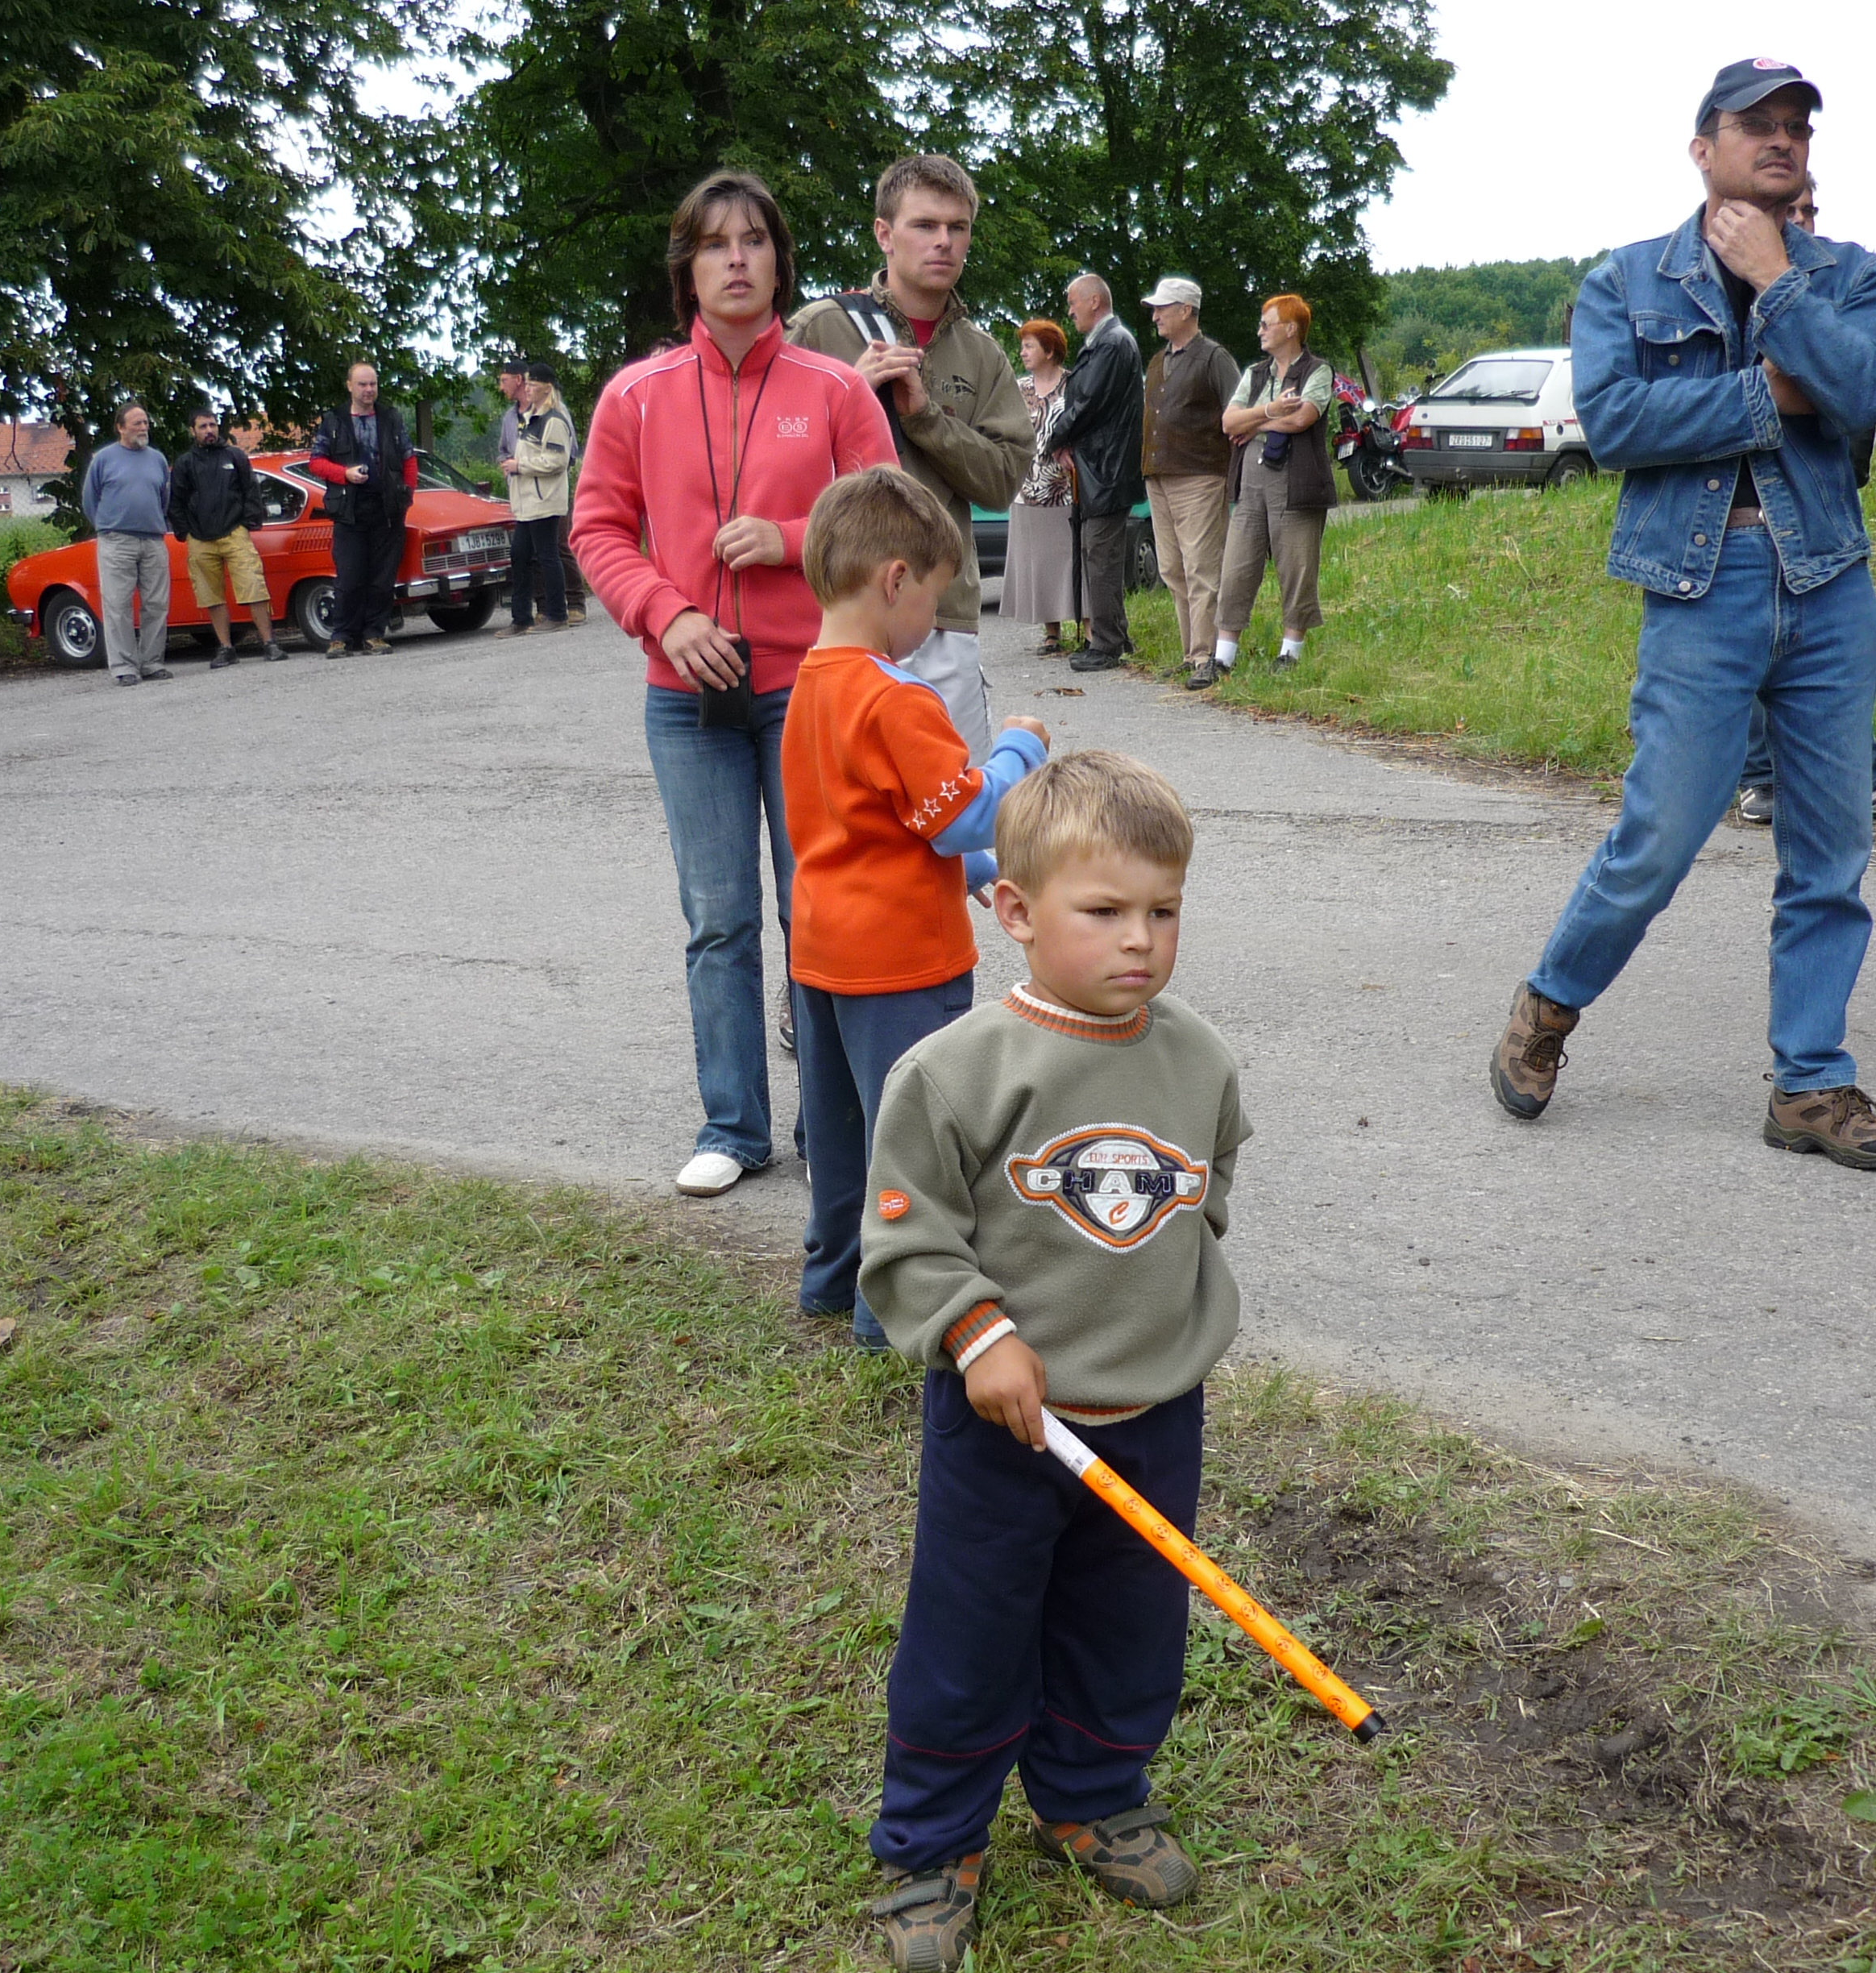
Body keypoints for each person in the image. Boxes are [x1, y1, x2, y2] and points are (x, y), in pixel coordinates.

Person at [1490, 58, 1876, 1169]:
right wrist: (1772, 392)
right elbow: (1619, 423)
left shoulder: (1849, 275)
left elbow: (1867, 391)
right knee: (1660, 839)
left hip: (1828, 584)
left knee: (1830, 849)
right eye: (1756, 124)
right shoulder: (1625, 282)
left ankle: (1811, 1086)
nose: (1781, 140)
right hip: (1701, 587)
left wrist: (1779, 285)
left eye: (1797, 127)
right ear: (1703, 147)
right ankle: (1549, 1004)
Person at [858, 750, 1245, 1972]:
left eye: (1164, 911)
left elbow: (1208, 1188)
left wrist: (1168, 1320)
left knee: (1129, 1619)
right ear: (1013, 911)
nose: (1142, 941)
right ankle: (933, 1843)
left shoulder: (1198, 1061)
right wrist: (980, 1333)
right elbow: (908, 1233)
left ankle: (1092, 1792)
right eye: (1106, 911)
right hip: (1007, 1426)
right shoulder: (954, 1073)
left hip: (1151, 1411)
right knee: (973, 1629)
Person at [571, 168, 898, 1198]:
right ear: (689, 269)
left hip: (815, 693)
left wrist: (794, 538)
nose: (739, 259)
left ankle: (828, 1133)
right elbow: (597, 531)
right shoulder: (636, 394)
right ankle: (733, 1125)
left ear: (779, 261)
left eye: (756, 241)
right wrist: (669, 615)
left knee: (819, 915)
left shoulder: (835, 389)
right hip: (689, 697)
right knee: (719, 917)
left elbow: (887, 522)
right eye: (717, 244)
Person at [783, 467, 1052, 1351]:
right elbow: (971, 809)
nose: (932, 626)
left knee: (839, 1131)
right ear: (894, 580)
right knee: (911, 1144)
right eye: (933, 603)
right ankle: (885, 1318)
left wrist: (968, 863)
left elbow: (882, 822)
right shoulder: (897, 698)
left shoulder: (809, 688)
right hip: (903, 962)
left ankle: (829, 1279)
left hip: (823, 954)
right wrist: (1018, 749)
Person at [787, 153, 1033, 759]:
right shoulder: (821, 331)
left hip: (942, 612)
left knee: (958, 822)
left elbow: (1003, 481)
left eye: (958, 227)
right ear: (884, 234)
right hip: (836, 613)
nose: (944, 242)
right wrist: (850, 393)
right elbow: (768, 460)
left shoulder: (982, 355)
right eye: (925, 225)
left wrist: (924, 417)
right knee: (852, 820)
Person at [1733, 178, 1876, 826]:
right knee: (1764, 637)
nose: (1801, 222)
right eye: (1787, 212)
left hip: (1829, 495)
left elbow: (1859, 385)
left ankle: (1853, 776)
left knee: (1832, 655)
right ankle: (1763, 777)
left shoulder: (1845, 283)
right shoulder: (1737, 293)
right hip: (1746, 511)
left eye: (1807, 210)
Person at [1202, 294, 1338, 687]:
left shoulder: (1318, 370)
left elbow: (1302, 419)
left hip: (1297, 483)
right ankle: (1222, 658)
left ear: (1291, 329)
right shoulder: (1256, 373)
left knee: (1296, 568)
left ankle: (1289, 654)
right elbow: (1228, 421)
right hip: (1251, 482)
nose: (1260, 330)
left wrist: (1255, 426)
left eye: (1267, 323)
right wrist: (1267, 412)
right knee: (1236, 568)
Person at [1139, 277, 1238, 683]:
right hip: (1160, 477)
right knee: (1172, 568)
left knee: (1201, 567)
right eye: (1155, 308)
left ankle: (1206, 657)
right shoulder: (1158, 361)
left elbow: (1238, 413)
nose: (1156, 314)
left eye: (1164, 307)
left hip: (1200, 475)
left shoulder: (1214, 357)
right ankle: (1190, 651)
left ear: (1187, 310)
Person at [1048, 273, 1144, 675]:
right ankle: (1115, 635)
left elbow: (1088, 403)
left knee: (1100, 554)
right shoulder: (1110, 342)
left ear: (1093, 301)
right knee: (1098, 551)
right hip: (1102, 463)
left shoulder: (1111, 343)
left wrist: (1057, 437)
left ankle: (1106, 644)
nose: (1069, 310)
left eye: (1072, 302)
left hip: (1107, 466)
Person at [306, 363, 417, 657]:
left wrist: (407, 494)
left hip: (388, 510)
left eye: (373, 384)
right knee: (349, 577)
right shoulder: (334, 421)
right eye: (363, 385)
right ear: (350, 386)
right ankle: (341, 636)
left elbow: (408, 459)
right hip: (349, 511)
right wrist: (345, 474)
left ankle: (374, 635)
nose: (369, 390)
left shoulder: (391, 418)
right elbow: (316, 462)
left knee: (382, 579)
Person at [168, 409, 279, 667]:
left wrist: (248, 523)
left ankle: (269, 643)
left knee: (254, 587)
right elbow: (177, 502)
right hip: (200, 539)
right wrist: (185, 532)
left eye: (213, 425)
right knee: (210, 596)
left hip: (234, 533)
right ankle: (226, 648)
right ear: (192, 430)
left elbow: (251, 490)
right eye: (203, 426)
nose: (209, 431)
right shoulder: (185, 463)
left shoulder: (234, 456)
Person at [999, 321, 1081, 652]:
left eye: (1030, 346)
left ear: (1050, 351)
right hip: (1028, 488)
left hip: (1066, 488)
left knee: (1072, 558)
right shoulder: (1019, 389)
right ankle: (1052, 633)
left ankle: (1088, 629)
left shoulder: (1075, 385)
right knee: (1040, 562)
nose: (1023, 352)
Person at [81, 405, 175, 686]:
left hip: (153, 540)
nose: (143, 427)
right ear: (120, 428)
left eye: (145, 422)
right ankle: (124, 667)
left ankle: (152, 663)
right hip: (116, 541)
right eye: (136, 423)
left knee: (157, 604)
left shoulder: (157, 459)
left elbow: (164, 499)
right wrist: (108, 527)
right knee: (118, 605)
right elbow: (90, 500)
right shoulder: (104, 459)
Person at [497, 363, 579, 638]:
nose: (527, 389)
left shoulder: (553, 420)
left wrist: (521, 466)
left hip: (544, 501)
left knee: (547, 555)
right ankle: (521, 617)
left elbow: (557, 461)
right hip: (526, 503)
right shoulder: (527, 419)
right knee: (520, 555)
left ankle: (557, 613)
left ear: (546, 388)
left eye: (533, 385)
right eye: (527, 384)